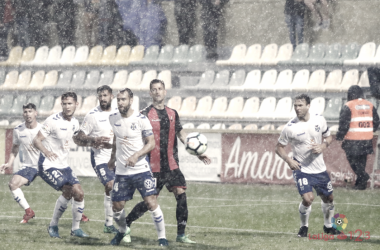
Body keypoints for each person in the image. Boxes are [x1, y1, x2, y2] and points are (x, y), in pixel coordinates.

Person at [124, 79, 211, 244]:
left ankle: (181, 234)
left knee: (181, 195)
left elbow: (181, 133)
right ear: (150, 93)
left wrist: (197, 152)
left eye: (160, 89)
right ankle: (126, 223)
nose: (157, 92)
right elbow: (136, 137)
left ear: (165, 92)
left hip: (172, 164)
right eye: (154, 89)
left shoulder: (173, 113)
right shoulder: (144, 114)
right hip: (153, 166)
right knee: (150, 202)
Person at [108, 88, 168, 246]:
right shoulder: (113, 118)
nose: (120, 103)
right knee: (117, 207)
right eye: (119, 100)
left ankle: (162, 238)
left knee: (151, 202)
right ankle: (122, 231)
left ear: (131, 100)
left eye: (123, 100)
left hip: (141, 170)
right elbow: (116, 138)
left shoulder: (141, 119)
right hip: (121, 172)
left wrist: (136, 155)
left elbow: (151, 143)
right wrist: (112, 158)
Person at [275, 94, 341, 237]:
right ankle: (303, 227)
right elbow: (278, 147)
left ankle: (328, 226)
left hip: (319, 169)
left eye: (300, 105)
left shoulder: (319, 119)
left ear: (308, 106)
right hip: (302, 169)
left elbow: (329, 136)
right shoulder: (290, 127)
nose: (297, 108)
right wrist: (289, 160)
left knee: (329, 199)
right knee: (307, 198)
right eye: (295, 105)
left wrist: (323, 146)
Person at [33, 92, 89, 238]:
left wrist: (93, 142)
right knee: (69, 190)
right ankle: (53, 225)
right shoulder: (52, 120)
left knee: (79, 193)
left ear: (77, 104)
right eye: (64, 104)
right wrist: (46, 151)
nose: (67, 106)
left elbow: (77, 140)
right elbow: (36, 140)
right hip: (48, 165)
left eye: (70, 103)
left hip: (64, 165)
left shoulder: (75, 122)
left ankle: (75, 229)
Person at [73, 85, 118, 234]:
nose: (103, 99)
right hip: (100, 159)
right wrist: (94, 139)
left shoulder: (118, 113)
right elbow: (79, 137)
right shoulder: (92, 115)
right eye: (100, 96)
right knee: (110, 185)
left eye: (105, 95)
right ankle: (109, 224)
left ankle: (113, 223)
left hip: (117, 158)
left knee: (118, 191)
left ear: (112, 96)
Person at [0, 103, 41, 223]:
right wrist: (9, 163)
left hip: (45, 165)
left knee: (66, 187)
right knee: (13, 184)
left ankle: (80, 214)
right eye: (25, 112)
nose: (28, 114)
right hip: (30, 166)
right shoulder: (18, 130)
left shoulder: (43, 129)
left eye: (30, 111)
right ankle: (29, 212)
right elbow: (15, 148)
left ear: (36, 113)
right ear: (23, 114)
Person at [336, 86, 380, 190]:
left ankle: (363, 176)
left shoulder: (349, 105)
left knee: (353, 161)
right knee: (361, 162)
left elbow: (344, 124)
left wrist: (339, 136)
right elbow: (377, 122)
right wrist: (368, 130)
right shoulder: (369, 105)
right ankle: (361, 185)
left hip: (353, 139)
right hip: (367, 139)